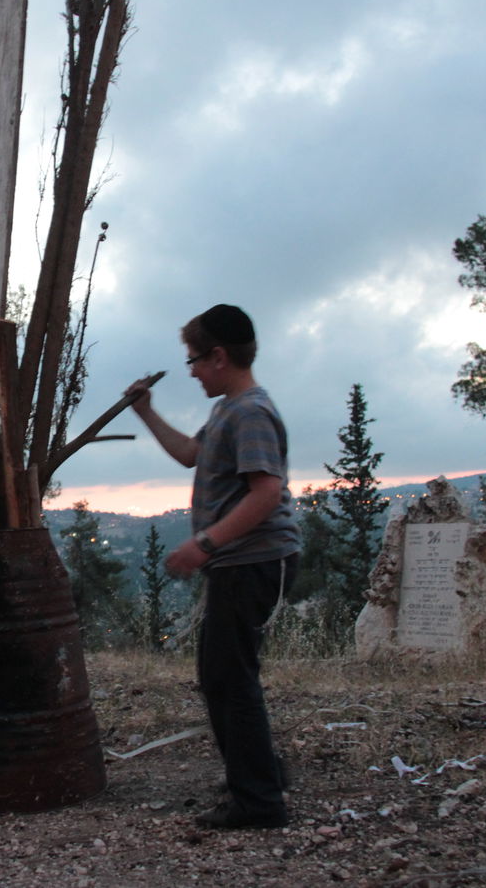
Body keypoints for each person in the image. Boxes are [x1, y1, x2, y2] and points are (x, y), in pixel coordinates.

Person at [125, 304, 299, 830]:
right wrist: (145, 412)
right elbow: (189, 455)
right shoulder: (228, 409)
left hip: (253, 560)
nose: (193, 370)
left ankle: (259, 801)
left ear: (219, 356)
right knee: (223, 676)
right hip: (239, 561)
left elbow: (267, 494)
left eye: (195, 360)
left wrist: (204, 542)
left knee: (229, 678)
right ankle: (259, 774)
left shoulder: (250, 412)